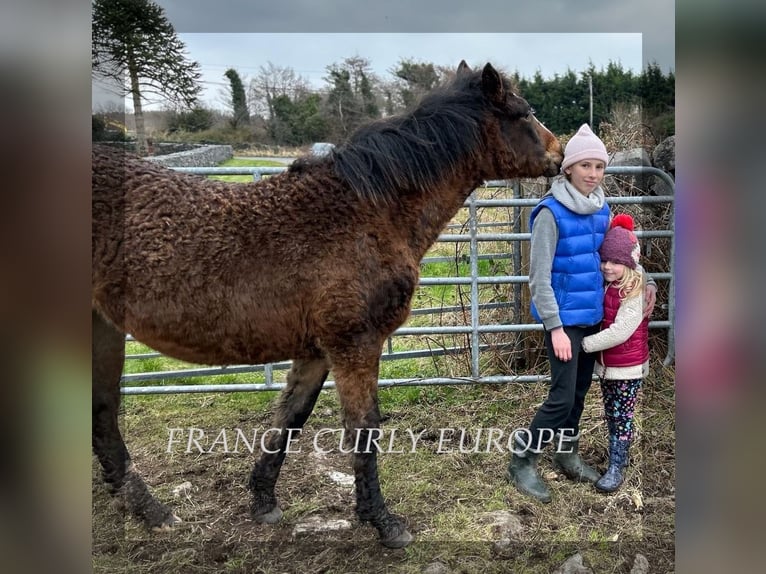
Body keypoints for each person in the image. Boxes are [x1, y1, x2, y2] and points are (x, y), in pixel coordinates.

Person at [507, 124, 656, 503]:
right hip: (564, 321)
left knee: (578, 391)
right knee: (560, 396)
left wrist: (646, 282)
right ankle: (523, 460)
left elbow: (622, 256)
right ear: (568, 168)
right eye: (585, 165)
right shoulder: (550, 214)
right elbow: (538, 278)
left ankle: (566, 454)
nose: (592, 174)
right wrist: (555, 328)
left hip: (592, 317)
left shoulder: (600, 208)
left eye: (599, 167)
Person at [581, 214, 649, 492]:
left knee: (622, 416)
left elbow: (621, 331)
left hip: (627, 367)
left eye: (616, 262)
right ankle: (617, 457)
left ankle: (617, 467)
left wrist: (585, 344)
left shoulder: (633, 290)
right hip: (611, 365)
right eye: (605, 260)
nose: (608, 266)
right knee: (612, 413)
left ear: (629, 263)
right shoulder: (611, 282)